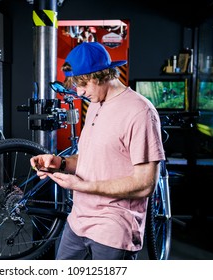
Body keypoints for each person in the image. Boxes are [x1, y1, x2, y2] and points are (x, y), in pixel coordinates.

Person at [30, 42, 165, 260]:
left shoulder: (140, 112)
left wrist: (84, 186)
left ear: (102, 75)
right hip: (77, 221)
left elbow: (146, 183)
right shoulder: (95, 103)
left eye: (83, 83)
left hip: (113, 228)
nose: (79, 91)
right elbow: (93, 159)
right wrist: (60, 163)